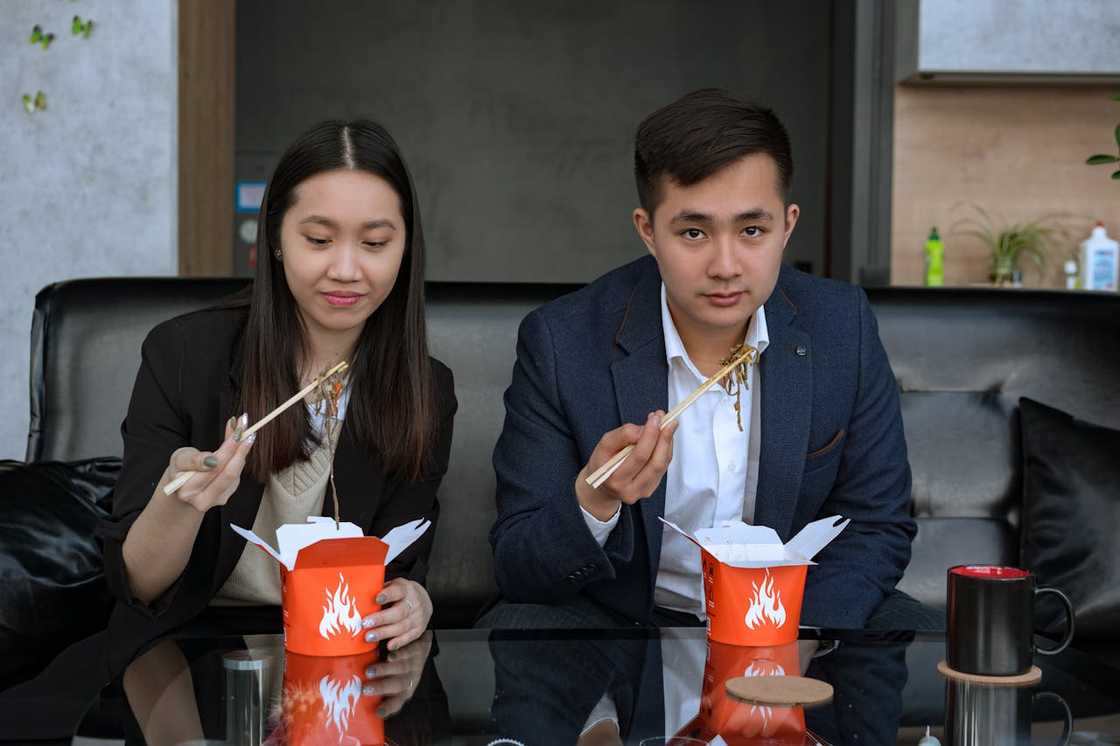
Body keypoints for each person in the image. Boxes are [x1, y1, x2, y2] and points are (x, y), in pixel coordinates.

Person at [0, 119, 456, 740]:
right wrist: (180, 506)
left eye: (375, 244)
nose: (347, 269)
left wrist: (415, 602)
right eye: (319, 239)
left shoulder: (425, 387)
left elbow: (404, 559)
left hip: (337, 668)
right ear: (275, 239)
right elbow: (138, 584)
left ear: (405, 249)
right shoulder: (183, 355)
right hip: (184, 651)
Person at [487, 89, 926, 632]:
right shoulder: (562, 341)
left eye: (751, 231)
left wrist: (785, 640)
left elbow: (877, 525)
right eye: (693, 232)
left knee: (919, 636)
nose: (725, 265)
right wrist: (594, 500)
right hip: (625, 626)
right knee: (521, 628)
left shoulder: (842, 326)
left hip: (793, 618)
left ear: (787, 226)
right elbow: (518, 563)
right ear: (648, 231)